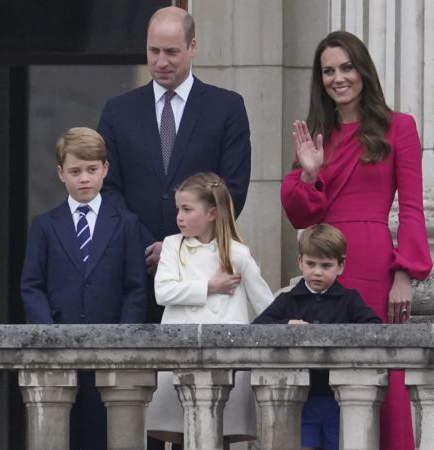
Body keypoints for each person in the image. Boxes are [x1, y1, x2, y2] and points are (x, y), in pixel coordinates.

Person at [281, 30, 432, 450]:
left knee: (380, 371)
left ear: (362, 70)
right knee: (325, 376)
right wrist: (310, 173)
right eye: (328, 71)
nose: (338, 78)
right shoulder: (316, 136)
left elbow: (414, 209)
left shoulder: (399, 127)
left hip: (373, 264)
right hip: (323, 263)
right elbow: (298, 212)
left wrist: (405, 272)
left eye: (346, 67)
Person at [97, 6, 251, 326]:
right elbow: (107, 188)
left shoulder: (226, 108)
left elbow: (232, 188)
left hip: (203, 269)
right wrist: (145, 243)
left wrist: (176, 247)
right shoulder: (117, 111)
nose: (161, 62)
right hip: (134, 268)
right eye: (154, 51)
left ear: (192, 47)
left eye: (172, 52)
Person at [20, 127, 147, 449]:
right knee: (64, 434)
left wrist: (122, 336)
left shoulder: (126, 222)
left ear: (105, 169)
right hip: (60, 349)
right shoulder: (45, 225)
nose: (84, 179)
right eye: (75, 171)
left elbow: (135, 287)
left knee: (107, 432)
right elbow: (32, 285)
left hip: (111, 349)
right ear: (61, 173)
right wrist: (49, 334)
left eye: (92, 170)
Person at [146, 172, 273, 446]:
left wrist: (290, 324)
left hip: (227, 357)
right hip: (180, 352)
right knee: (180, 434)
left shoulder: (237, 253)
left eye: (187, 209)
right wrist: (210, 286)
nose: (179, 216)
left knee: (220, 434)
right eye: (178, 209)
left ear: (212, 213)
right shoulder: (172, 246)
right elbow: (163, 292)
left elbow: (265, 304)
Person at [253, 224, 381, 450]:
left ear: (340, 266)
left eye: (326, 265)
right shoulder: (288, 300)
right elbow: (256, 329)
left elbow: (375, 328)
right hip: (301, 399)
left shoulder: (349, 300)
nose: (317, 272)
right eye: (311, 264)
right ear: (300, 262)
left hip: (340, 398)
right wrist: (286, 324)